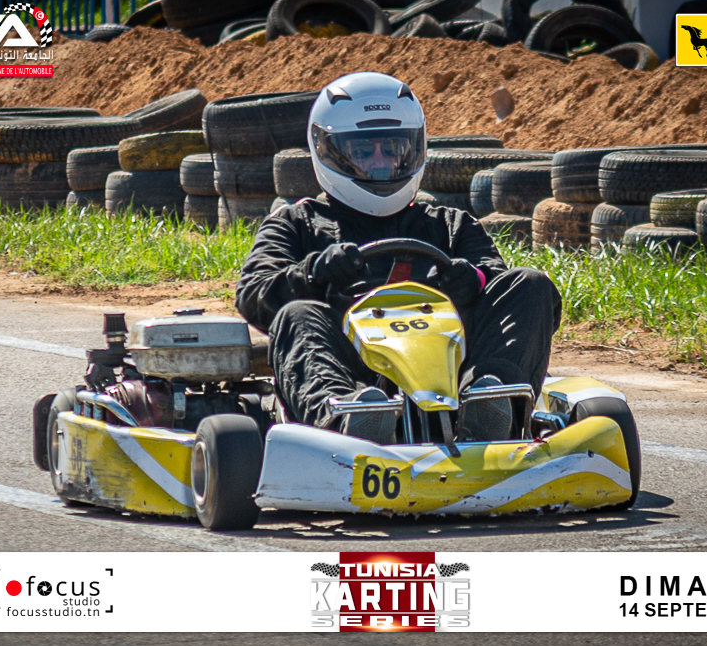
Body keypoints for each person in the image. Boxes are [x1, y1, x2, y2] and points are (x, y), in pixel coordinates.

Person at [236, 72, 561, 444]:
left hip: (448, 365)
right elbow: (253, 292)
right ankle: (349, 421)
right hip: (352, 368)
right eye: (363, 152)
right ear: (327, 151)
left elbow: (497, 281)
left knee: (530, 284)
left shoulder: (449, 224)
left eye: (392, 150)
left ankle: (490, 406)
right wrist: (314, 274)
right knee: (295, 314)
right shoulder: (296, 224)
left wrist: (473, 280)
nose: (381, 164)